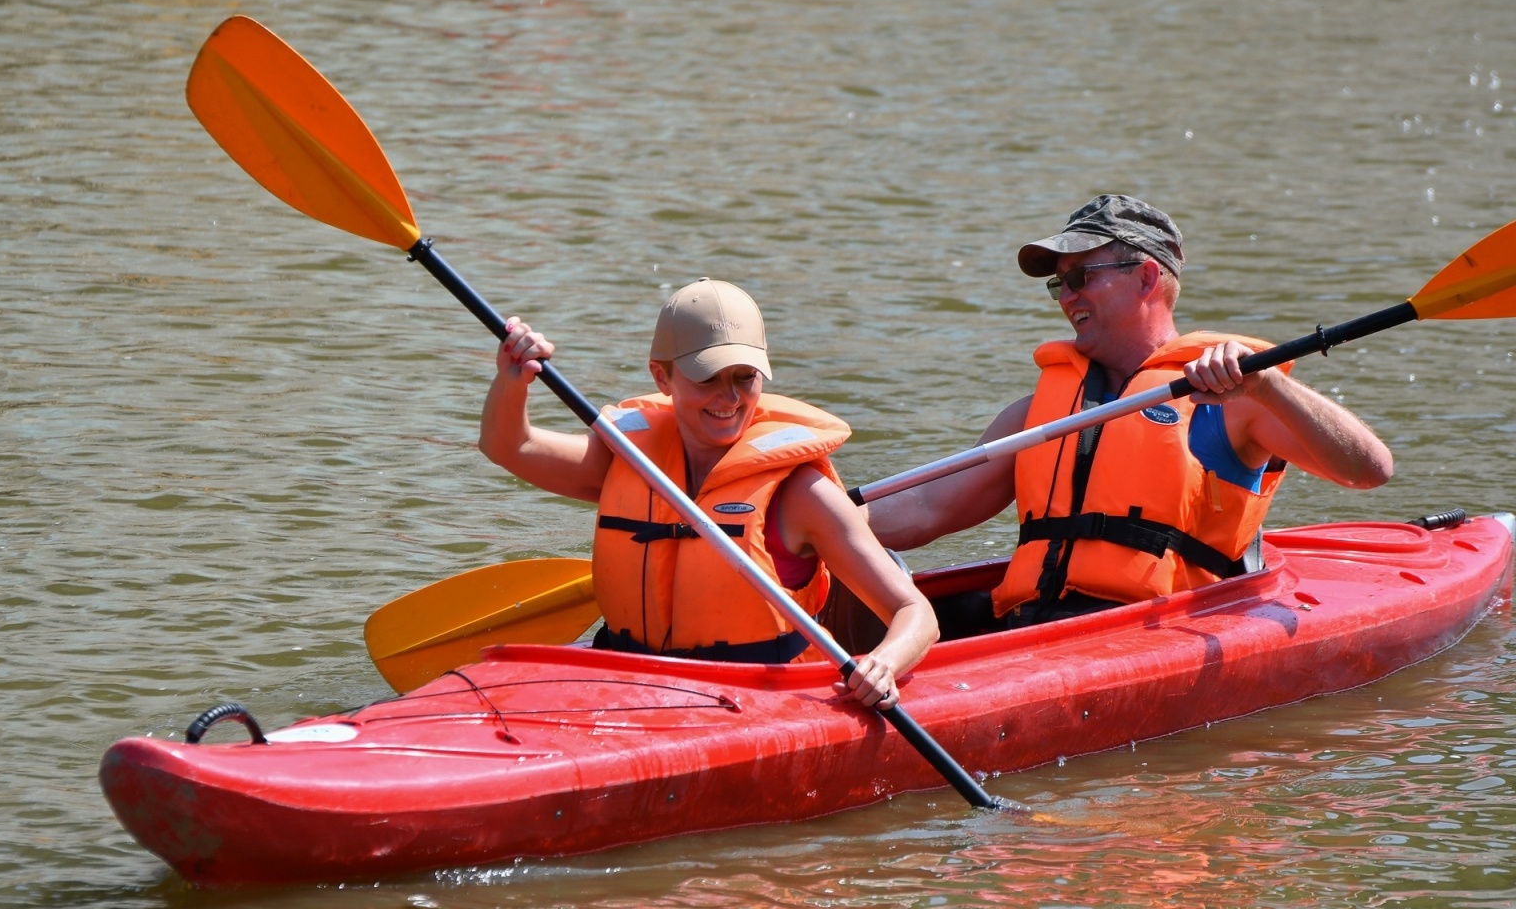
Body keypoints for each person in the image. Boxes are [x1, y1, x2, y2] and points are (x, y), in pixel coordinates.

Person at [867, 195, 1393, 632]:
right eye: (1059, 283)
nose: (1065, 296)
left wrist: (1270, 388)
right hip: (1030, 627)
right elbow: (926, 508)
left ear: (1145, 278)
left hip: (1150, 633)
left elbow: (1369, 470)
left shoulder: (1234, 401)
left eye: (1081, 277)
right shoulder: (1039, 414)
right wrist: (809, 520)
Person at [479, 277, 938, 707]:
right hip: (627, 678)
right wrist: (514, 380)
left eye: (745, 377)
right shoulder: (626, 460)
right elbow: (510, 446)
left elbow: (914, 611)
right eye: (708, 378)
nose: (730, 397)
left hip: (755, 698)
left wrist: (885, 664)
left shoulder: (802, 493)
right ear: (662, 377)